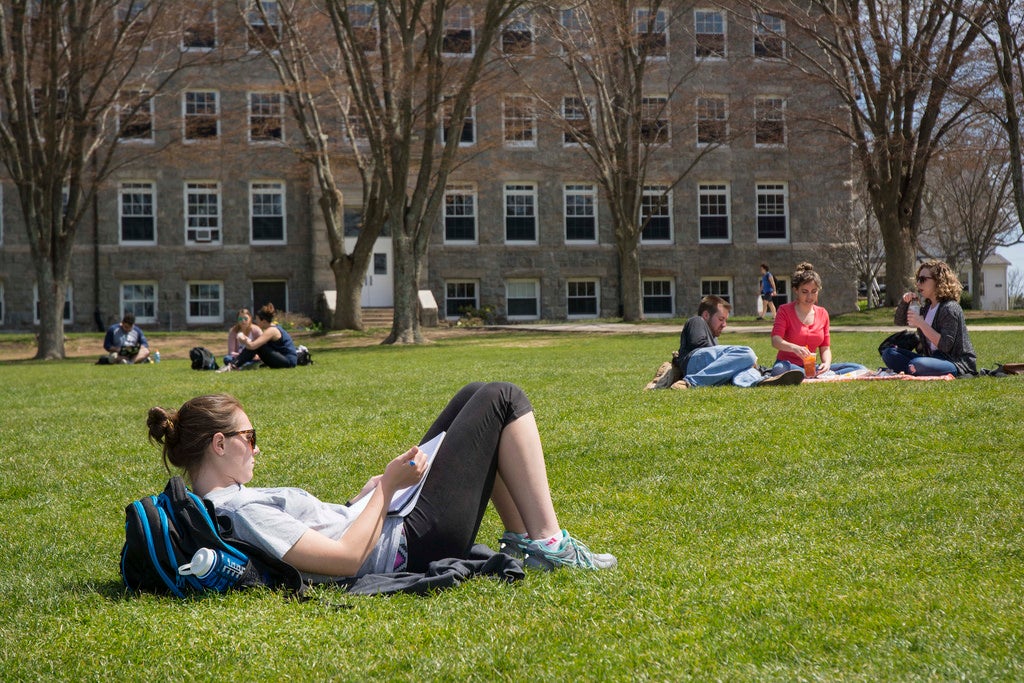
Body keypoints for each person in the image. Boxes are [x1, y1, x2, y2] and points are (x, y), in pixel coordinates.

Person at [146, 384, 616, 581]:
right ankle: (552, 545)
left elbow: (323, 533)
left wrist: (363, 498)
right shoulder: (240, 511)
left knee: (473, 396)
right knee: (503, 399)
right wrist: (389, 489)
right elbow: (347, 560)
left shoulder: (229, 503)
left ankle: (529, 543)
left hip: (389, 522)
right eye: (251, 437)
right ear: (220, 445)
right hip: (408, 543)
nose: (257, 447)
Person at [645, 295, 803, 389]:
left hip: (708, 365)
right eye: (721, 319)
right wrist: (732, 359)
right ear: (706, 315)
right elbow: (698, 346)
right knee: (746, 353)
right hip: (695, 361)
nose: (724, 324)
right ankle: (690, 383)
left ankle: (761, 381)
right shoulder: (697, 321)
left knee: (742, 371)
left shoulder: (714, 337)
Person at [769, 262, 867, 378]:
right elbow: (776, 340)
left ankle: (816, 374)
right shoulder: (784, 310)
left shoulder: (822, 313)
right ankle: (814, 375)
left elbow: (825, 347)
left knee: (859, 368)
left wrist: (826, 363)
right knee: (779, 370)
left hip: (812, 366)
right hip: (788, 364)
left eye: (814, 291)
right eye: (804, 292)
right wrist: (794, 348)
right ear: (796, 290)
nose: (810, 297)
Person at [882, 259, 976, 377]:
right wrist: (904, 303)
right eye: (918, 280)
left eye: (923, 279)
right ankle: (914, 369)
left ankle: (913, 368)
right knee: (888, 353)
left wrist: (922, 324)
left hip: (954, 362)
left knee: (918, 363)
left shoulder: (950, 308)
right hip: (931, 359)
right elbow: (899, 321)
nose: (918, 284)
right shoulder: (926, 308)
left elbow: (945, 346)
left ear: (938, 281)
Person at [217, 303, 297, 371]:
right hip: (281, 359)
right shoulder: (271, 329)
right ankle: (233, 365)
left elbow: (252, 346)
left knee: (258, 346)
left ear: (264, 321)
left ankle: (232, 366)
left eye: (257, 319)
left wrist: (243, 339)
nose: (255, 321)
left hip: (288, 362)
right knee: (257, 346)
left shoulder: (272, 330)